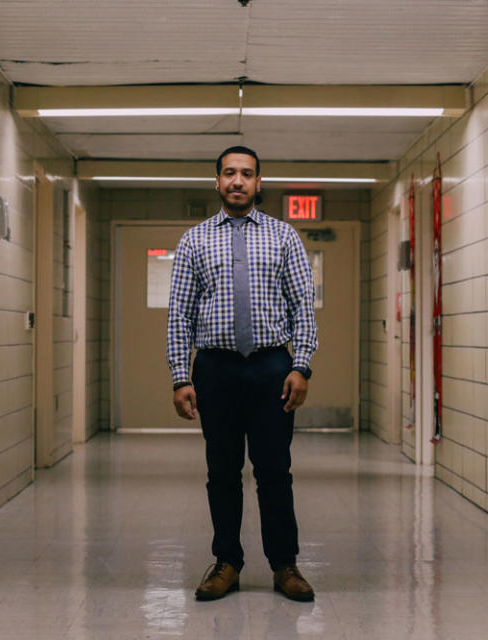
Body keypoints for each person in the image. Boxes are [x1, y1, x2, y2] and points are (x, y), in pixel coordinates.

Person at [166, 146, 318, 602]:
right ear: (216, 181)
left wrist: (301, 365)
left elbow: (302, 308)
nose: (237, 181)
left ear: (258, 182)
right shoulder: (194, 240)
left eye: (246, 174)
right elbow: (180, 314)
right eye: (229, 173)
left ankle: (284, 565)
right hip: (216, 369)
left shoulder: (284, 236)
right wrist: (180, 376)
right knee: (223, 471)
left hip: (272, 366)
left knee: (274, 470)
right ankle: (227, 562)